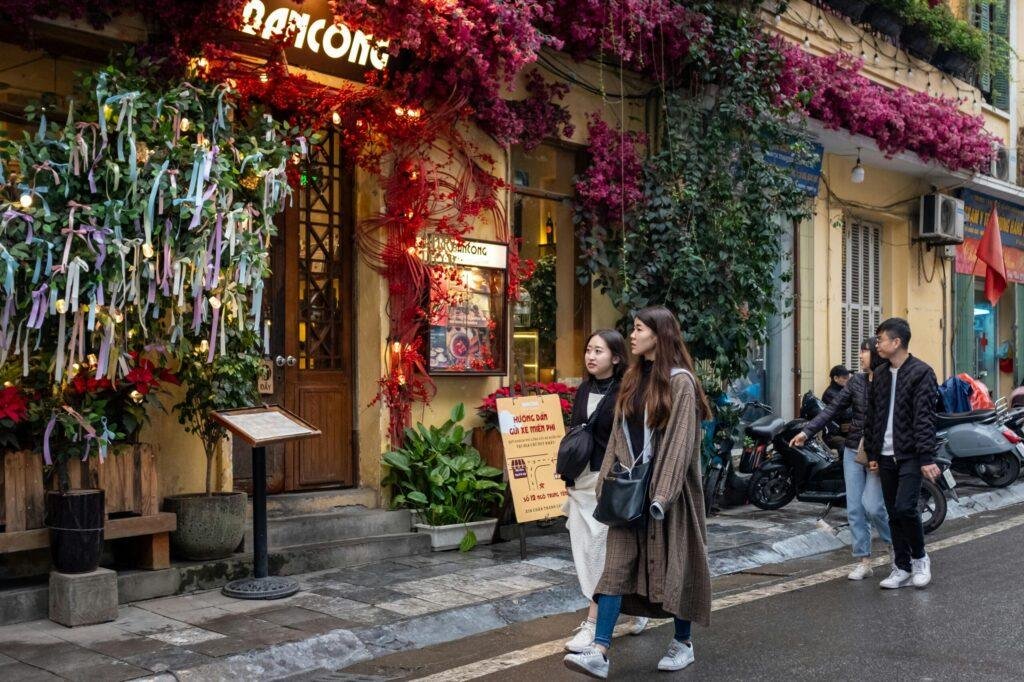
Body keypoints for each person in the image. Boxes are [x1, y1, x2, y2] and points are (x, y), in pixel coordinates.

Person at [563, 306, 712, 679]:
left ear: (659, 335)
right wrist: (605, 482)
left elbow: (680, 445)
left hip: (669, 497)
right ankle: (599, 650)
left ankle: (683, 642)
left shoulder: (681, 383)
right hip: (627, 491)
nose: (632, 335)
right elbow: (616, 435)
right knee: (615, 566)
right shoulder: (633, 378)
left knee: (675, 565)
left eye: (639, 328)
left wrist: (662, 496)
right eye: (632, 328)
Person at [562, 330, 648, 653]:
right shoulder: (584, 389)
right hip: (580, 483)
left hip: (607, 483)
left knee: (601, 553)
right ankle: (631, 609)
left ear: (616, 356)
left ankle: (594, 622)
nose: (590, 356)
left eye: (598, 351)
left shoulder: (627, 389)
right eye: (588, 350)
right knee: (584, 553)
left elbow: (631, 438)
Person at [790, 339, 892, 580]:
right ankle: (864, 560)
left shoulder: (889, 382)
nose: (860, 356)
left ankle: (895, 548)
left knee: (874, 506)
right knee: (855, 508)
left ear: (877, 355)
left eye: (864, 351)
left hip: (877, 449)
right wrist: (807, 431)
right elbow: (831, 409)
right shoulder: (855, 381)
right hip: (852, 449)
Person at [863, 317, 941, 589]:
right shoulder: (880, 374)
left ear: (896, 342)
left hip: (909, 454)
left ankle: (920, 559)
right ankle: (901, 567)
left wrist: (926, 457)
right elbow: (873, 416)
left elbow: (924, 418)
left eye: (881, 339)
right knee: (893, 513)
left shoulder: (922, 372)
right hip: (884, 456)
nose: (876, 344)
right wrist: (873, 452)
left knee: (905, 507)